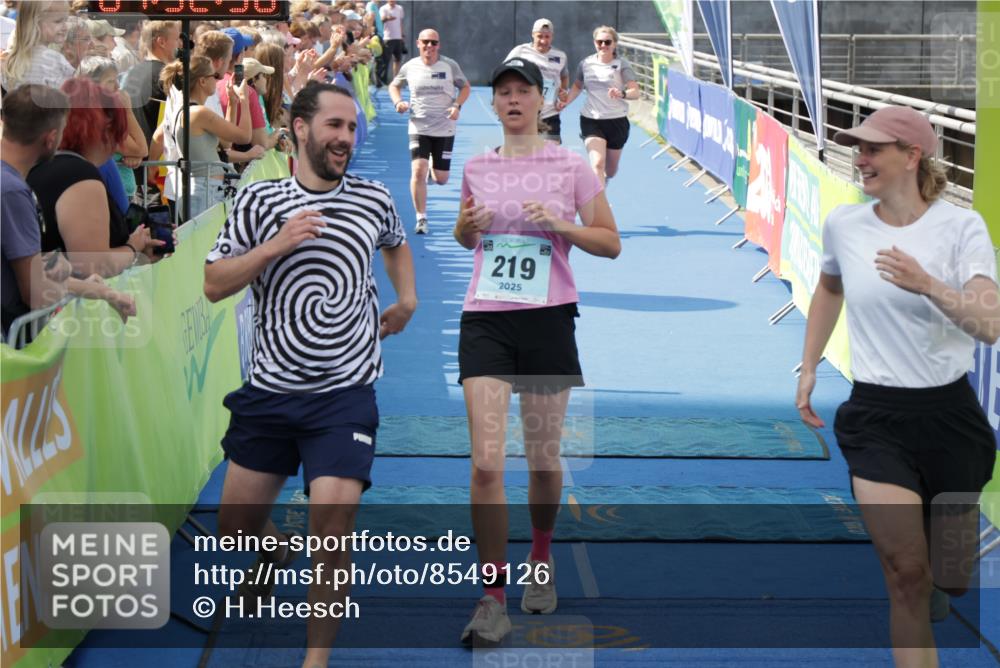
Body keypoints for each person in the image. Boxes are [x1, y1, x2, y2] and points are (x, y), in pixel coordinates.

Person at [203, 81, 416, 668]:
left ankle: (314, 662)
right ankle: (270, 555)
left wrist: (408, 299)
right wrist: (274, 246)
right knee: (235, 528)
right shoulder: (260, 202)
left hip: (344, 396)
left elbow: (396, 243)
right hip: (270, 392)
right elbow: (215, 284)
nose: (346, 137)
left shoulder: (373, 197)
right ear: (301, 129)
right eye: (334, 126)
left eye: (352, 128)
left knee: (333, 526)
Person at [796, 106, 999, 668]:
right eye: (857, 149)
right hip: (876, 417)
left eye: (872, 149)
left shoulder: (962, 228)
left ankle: (942, 580)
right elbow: (829, 288)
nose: (859, 160)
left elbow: (989, 323)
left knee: (950, 580)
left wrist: (928, 283)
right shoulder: (845, 224)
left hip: (950, 418)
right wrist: (809, 364)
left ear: (912, 157)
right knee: (906, 575)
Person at [453, 59, 620, 645]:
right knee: (485, 463)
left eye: (525, 90)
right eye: (504, 92)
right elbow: (465, 234)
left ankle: (541, 556)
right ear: (492, 105)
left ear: (543, 101)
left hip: (548, 319)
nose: (515, 99)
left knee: (544, 462)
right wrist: (466, 230)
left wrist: (561, 225)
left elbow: (611, 243)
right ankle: (492, 595)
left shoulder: (571, 167)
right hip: (487, 320)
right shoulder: (476, 165)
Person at [2, 84, 135, 339]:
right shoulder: (12, 191)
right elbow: (36, 292)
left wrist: (86, 285)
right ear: (51, 138)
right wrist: (100, 290)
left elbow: (28, 269)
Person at [27, 78, 163, 277]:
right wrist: (133, 248)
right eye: (118, 133)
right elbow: (94, 266)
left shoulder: (40, 163)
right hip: (71, 301)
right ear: (106, 131)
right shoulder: (80, 177)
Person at [388, 28, 470, 234]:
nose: (429, 46)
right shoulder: (410, 67)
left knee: (441, 179)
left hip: (444, 128)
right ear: (418, 43)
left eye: (434, 43)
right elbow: (394, 86)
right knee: (418, 170)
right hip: (419, 126)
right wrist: (398, 102)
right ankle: (421, 218)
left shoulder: (450, 65)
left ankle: (434, 169)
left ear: (439, 45)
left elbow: (465, 87)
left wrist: (457, 106)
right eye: (425, 42)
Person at [151, 56, 252, 219]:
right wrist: (244, 100)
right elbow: (245, 136)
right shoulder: (198, 113)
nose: (219, 80)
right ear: (202, 81)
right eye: (216, 76)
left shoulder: (193, 111)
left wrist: (233, 103)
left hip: (206, 190)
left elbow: (226, 142)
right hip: (204, 192)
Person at [558, 26, 638, 185]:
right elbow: (577, 86)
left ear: (614, 44)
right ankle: (598, 205)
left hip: (617, 121)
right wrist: (564, 103)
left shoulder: (622, 64)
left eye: (607, 42)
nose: (603, 45)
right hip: (591, 119)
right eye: (599, 42)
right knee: (597, 163)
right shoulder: (586, 63)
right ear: (594, 43)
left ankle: (604, 182)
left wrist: (622, 94)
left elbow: (635, 92)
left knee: (611, 171)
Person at [504, 18, 569, 144]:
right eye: (539, 36)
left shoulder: (560, 56)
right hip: (524, 114)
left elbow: (564, 75)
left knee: (550, 157)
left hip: (549, 114)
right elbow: (504, 73)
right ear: (533, 34)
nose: (543, 41)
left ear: (552, 36)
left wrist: (563, 92)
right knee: (525, 157)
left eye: (547, 36)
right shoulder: (520, 51)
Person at [0, 0, 74, 92]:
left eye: (66, 20)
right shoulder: (55, 60)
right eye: (58, 21)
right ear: (36, 22)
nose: (65, 27)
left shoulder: (10, 61)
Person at [379, 0, 404, 79]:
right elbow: (380, 20)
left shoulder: (400, 8)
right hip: (387, 38)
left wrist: (402, 35)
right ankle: (383, 81)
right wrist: (387, 18)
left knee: (397, 60)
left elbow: (400, 22)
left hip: (398, 38)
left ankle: (395, 79)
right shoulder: (383, 8)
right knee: (385, 61)